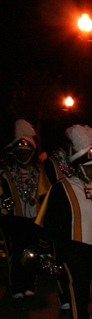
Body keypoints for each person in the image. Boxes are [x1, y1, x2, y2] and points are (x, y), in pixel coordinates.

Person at [36, 126, 92, 319]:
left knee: (84, 283)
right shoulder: (63, 187)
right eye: (90, 168)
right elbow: (51, 220)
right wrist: (44, 247)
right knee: (78, 283)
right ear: (79, 168)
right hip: (69, 245)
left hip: (91, 246)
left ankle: (78, 312)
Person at [1, 120, 42, 299]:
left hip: (34, 219)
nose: (23, 155)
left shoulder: (39, 172)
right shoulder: (5, 173)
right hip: (14, 219)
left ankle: (29, 284)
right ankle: (16, 286)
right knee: (16, 254)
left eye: (26, 152)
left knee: (32, 254)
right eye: (20, 152)